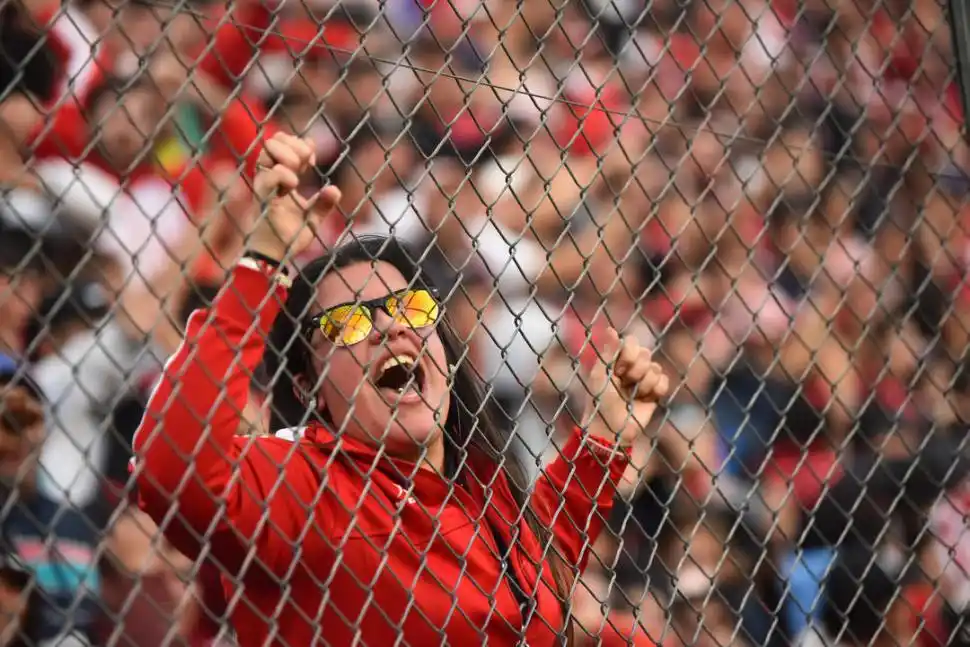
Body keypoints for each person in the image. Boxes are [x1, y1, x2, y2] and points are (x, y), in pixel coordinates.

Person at [133, 132, 671, 645]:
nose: (392, 326)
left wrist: (602, 438)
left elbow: (534, 575)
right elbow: (172, 469)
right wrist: (262, 262)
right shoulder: (303, 485)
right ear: (307, 383)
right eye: (349, 322)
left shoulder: (482, 486)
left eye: (409, 307)